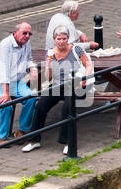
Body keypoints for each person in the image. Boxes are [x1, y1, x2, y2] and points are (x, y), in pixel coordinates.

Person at [20, 24, 93, 156]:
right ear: (54, 39)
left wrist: (83, 80)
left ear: (68, 38)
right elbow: (48, 77)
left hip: (75, 86)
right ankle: (34, 140)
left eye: (64, 38)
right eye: (58, 39)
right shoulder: (51, 52)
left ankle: (68, 143)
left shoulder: (76, 49)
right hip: (57, 86)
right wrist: (48, 65)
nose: (61, 41)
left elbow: (88, 65)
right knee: (40, 105)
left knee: (67, 108)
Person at [0, 23, 36, 142]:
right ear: (15, 33)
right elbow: (3, 71)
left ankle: (21, 130)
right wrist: (6, 93)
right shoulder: (5, 45)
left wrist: (32, 69)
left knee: (31, 98)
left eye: (29, 34)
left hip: (16, 82)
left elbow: (29, 60)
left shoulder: (26, 43)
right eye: (24, 33)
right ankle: (3, 137)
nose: (27, 36)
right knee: (6, 104)